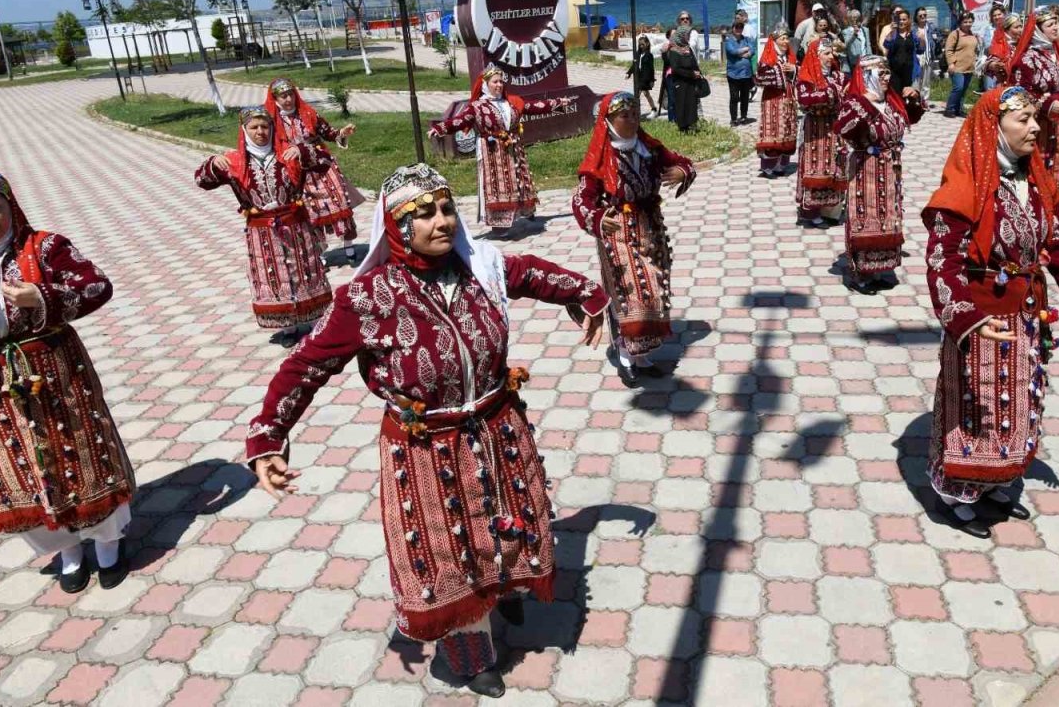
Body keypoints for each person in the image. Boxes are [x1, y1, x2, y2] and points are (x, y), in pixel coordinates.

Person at [246, 163, 608, 698]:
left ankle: (506, 593)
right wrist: (267, 439)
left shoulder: (479, 267)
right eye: (425, 214)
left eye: (447, 208)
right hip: (427, 449)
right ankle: (469, 656)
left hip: (497, 428)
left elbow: (531, 273)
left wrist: (586, 294)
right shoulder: (366, 298)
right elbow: (305, 365)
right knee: (451, 556)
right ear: (397, 225)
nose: (442, 221)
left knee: (508, 525)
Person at [921, 86, 1059, 537]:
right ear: (994, 128)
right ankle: (954, 494)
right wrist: (966, 318)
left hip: (1027, 318)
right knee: (975, 406)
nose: (1035, 127)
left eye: (1035, 118)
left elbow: (1057, 243)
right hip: (983, 321)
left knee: (1016, 402)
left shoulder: (1034, 183)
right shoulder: (966, 188)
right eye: (1024, 120)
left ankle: (995, 482)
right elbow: (942, 261)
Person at [0, 168, 135, 593]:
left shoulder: (45, 246)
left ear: (10, 206)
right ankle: (67, 552)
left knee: (83, 451)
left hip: (55, 369)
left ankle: (109, 545)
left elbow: (97, 286)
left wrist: (43, 296)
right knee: (20, 471)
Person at [572, 92, 696, 386]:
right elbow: (581, 199)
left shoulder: (648, 147)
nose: (631, 120)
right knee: (628, 296)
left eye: (634, 114)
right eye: (624, 116)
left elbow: (681, 161)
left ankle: (642, 357)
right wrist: (598, 218)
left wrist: (682, 171)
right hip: (618, 234)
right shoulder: (602, 156)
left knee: (652, 290)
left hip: (650, 228)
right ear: (608, 121)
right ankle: (626, 357)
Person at [196, 106, 334, 339]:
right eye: (254, 127)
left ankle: (316, 322)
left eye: (265, 126)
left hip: (296, 225)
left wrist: (302, 150)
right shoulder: (235, 161)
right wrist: (212, 163)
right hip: (261, 231)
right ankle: (288, 328)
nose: (260, 132)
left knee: (306, 269)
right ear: (244, 130)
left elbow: (325, 161)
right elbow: (202, 181)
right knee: (273, 275)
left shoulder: (287, 153)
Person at [428, 66, 572, 236]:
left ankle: (524, 211)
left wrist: (558, 103)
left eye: (501, 82)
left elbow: (534, 106)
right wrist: (439, 128)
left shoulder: (511, 102)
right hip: (492, 151)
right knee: (498, 185)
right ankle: (500, 224)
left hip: (513, 148)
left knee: (517, 180)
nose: (499, 85)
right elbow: (460, 121)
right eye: (495, 82)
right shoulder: (477, 107)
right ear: (485, 84)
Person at [835, 55, 924, 292]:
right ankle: (861, 275)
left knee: (888, 217)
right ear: (866, 77)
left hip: (891, 169)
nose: (886, 78)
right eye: (880, 74)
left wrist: (914, 99)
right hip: (866, 169)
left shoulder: (890, 101)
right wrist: (867, 104)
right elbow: (843, 128)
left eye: (887, 73)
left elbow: (911, 117)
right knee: (867, 217)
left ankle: (879, 269)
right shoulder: (856, 102)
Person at [264, 78, 362, 264]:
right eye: (283, 96)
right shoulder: (272, 122)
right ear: (275, 98)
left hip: (322, 167)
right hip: (298, 174)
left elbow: (328, 132)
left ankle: (349, 248)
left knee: (340, 204)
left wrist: (341, 133)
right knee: (309, 213)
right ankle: (319, 254)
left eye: (291, 94)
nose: (288, 99)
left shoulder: (308, 113)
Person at [1009, 8, 1059, 187]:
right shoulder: (1028, 58)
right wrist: (1047, 105)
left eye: (1056, 24)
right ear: (1037, 30)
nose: (1056, 28)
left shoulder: (1053, 55)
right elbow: (1019, 93)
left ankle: (1051, 199)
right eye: (1050, 25)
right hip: (1036, 127)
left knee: (1054, 171)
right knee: (1035, 172)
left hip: (1056, 126)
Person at [795, 38, 847, 227]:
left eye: (832, 53)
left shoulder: (838, 76)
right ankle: (812, 212)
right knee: (815, 168)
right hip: (815, 131)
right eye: (826, 53)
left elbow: (849, 92)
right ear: (816, 57)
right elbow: (805, 99)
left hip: (834, 128)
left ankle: (831, 211)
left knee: (835, 166)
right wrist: (832, 93)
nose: (831, 57)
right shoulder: (806, 77)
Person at [754, 29, 800, 177]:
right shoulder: (768, 57)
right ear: (774, 41)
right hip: (772, 99)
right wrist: (779, 71)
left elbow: (803, 75)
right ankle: (768, 166)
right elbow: (759, 78)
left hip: (789, 98)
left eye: (787, 38)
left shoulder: (790, 58)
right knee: (773, 131)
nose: (786, 41)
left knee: (787, 130)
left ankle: (781, 164)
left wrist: (794, 69)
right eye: (782, 39)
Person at [665, 25, 702, 133]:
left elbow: (694, 62)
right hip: (680, 82)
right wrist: (691, 74)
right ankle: (682, 128)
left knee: (691, 104)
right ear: (681, 35)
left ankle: (691, 126)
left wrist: (698, 73)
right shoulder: (673, 50)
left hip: (691, 82)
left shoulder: (688, 48)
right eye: (687, 35)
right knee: (682, 104)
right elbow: (676, 69)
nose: (689, 37)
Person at [944, 12, 979, 118]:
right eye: (965, 22)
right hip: (957, 67)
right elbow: (949, 50)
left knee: (963, 90)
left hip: (969, 67)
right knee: (958, 88)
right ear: (960, 23)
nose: (968, 24)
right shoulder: (955, 34)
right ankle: (949, 109)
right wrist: (951, 63)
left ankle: (959, 109)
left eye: (970, 22)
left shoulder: (972, 34)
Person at [882, 9, 921, 96]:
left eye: (904, 19)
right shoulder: (894, 34)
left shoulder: (913, 35)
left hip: (910, 70)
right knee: (896, 94)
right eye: (899, 19)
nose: (901, 22)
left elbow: (921, 49)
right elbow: (886, 45)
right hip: (895, 71)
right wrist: (892, 31)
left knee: (909, 94)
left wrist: (922, 38)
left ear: (908, 20)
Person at [724, 21, 755, 125]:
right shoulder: (729, 40)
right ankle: (733, 119)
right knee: (734, 97)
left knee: (745, 97)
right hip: (733, 74)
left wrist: (748, 53)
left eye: (741, 27)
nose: (738, 29)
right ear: (733, 28)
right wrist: (745, 49)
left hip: (746, 74)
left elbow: (753, 50)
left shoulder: (747, 39)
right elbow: (732, 51)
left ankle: (743, 117)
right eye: (736, 27)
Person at [625, 35, 659, 118]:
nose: (641, 46)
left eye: (643, 44)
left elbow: (651, 69)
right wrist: (629, 73)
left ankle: (634, 112)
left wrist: (652, 80)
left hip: (645, 78)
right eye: (640, 44)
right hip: (638, 77)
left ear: (647, 44)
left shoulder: (649, 55)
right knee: (646, 94)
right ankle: (653, 109)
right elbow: (634, 65)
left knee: (638, 95)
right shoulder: (638, 54)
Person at [980, 4, 1009, 91]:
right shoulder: (989, 29)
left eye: (999, 14)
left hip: (1007, 61)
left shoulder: (1009, 28)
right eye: (994, 15)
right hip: (993, 62)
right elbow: (988, 46)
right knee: (990, 89)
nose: (997, 17)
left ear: (1004, 14)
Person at [913, 7, 938, 104]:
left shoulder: (931, 27)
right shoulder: (913, 29)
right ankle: (915, 102)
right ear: (916, 17)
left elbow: (937, 38)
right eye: (920, 15)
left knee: (926, 83)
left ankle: (925, 102)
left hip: (928, 57)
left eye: (925, 15)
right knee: (916, 81)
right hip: (917, 58)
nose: (923, 17)